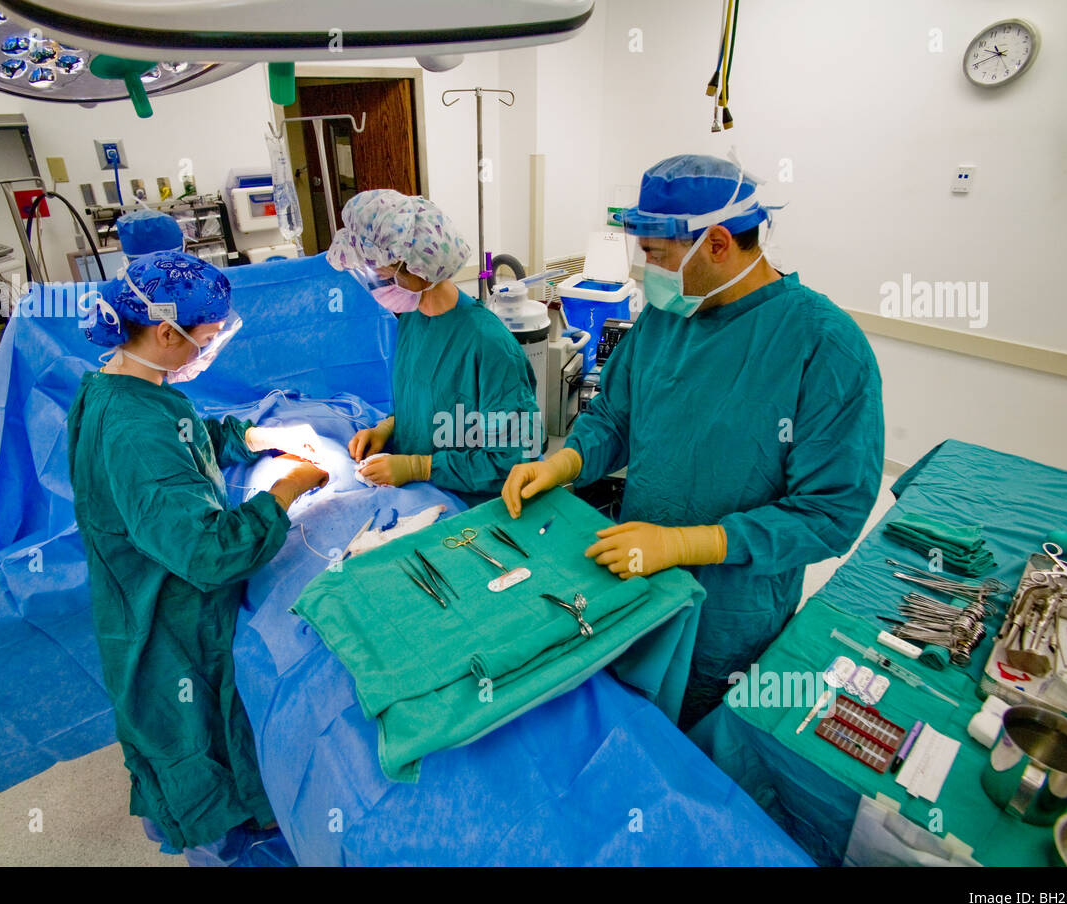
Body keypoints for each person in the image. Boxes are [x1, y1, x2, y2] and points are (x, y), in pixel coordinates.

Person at [502, 154, 884, 731]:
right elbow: (614, 417)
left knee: (696, 750)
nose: (644, 269)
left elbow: (829, 515)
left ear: (719, 243)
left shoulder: (824, 347)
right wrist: (564, 463)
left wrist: (687, 544)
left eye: (655, 255)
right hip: (634, 580)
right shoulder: (667, 316)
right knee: (624, 723)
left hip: (728, 618)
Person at [68, 250, 327, 854]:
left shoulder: (126, 387)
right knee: (196, 739)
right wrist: (286, 490)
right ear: (165, 331)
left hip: (163, 606)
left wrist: (256, 437)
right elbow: (208, 551)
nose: (209, 351)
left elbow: (186, 438)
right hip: (167, 628)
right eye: (205, 339)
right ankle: (231, 832)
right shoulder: (130, 431)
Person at [326, 189, 540, 506]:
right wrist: (387, 429)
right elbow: (432, 406)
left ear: (415, 268)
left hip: (472, 507)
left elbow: (513, 459)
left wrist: (420, 467)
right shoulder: (412, 318)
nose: (372, 281)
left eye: (379, 272)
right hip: (419, 495)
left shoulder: (491, 347)